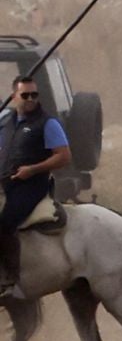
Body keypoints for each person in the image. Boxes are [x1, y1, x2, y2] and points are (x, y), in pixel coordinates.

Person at [0, 75, 71, 296]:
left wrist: (32, 169)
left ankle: (8, 278)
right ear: (14, 97)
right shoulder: (6, 121)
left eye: (34, 95)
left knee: (3, 223)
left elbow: (63, 156)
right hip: (6, 182)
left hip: (31, 186)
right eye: (25, 95)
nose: (30, 99)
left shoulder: (47, 123)